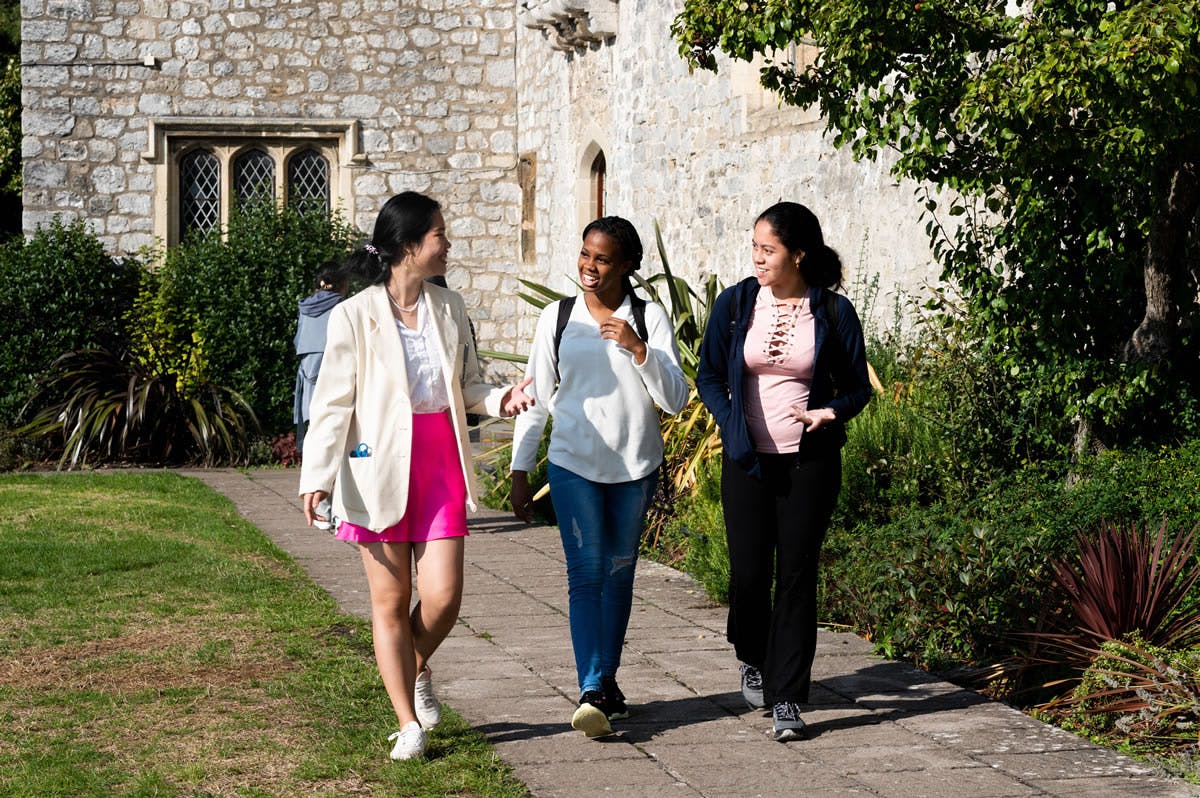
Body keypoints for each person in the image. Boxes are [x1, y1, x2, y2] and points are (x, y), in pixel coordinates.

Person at [298, 191, 535, 761]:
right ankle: (408, 724)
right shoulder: (354, 315)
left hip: (440, 460)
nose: (447, 244)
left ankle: (413, 666)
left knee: (444, 597)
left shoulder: (450, 307)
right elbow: (332, 404)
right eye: (439, 236)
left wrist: (502, 398)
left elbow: (469, 384)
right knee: (391, 598)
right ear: (409, 246)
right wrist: (317, 477)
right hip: (374, 464)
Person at [696, 201, 872, 742]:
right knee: (749, 576)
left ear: (798, 254)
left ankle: (788, 697)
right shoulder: (735, 304)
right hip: (747, 461)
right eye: (754, 247)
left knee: (796, 579)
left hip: (809, 463)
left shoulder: (833, 311)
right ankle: (751, 654)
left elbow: (858, 387)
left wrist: (831, 411)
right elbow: (708, 377)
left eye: (767, 249)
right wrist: (731, 428)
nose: (757, 258)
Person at [509, 216, 689, 738]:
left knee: (618, 573)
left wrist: (639, 350)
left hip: (634, 466)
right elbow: (537, 397)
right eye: (586, 254)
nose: (590, 266)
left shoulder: (649, 317)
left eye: (603, 258)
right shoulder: (557, 316)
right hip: (573, 463)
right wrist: (522, 468)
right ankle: (590, 687)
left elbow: (674, 399)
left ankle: (606, 682)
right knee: (585, 575)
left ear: (628, 265)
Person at [294, 261, 350, 529]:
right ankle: (335, 509)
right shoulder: (342, 308)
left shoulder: (305, 307)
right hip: (333, 377)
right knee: (338, 441)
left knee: (317, 439)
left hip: (308, 379)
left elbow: (298, 342)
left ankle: (322, 510)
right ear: (342, 284)